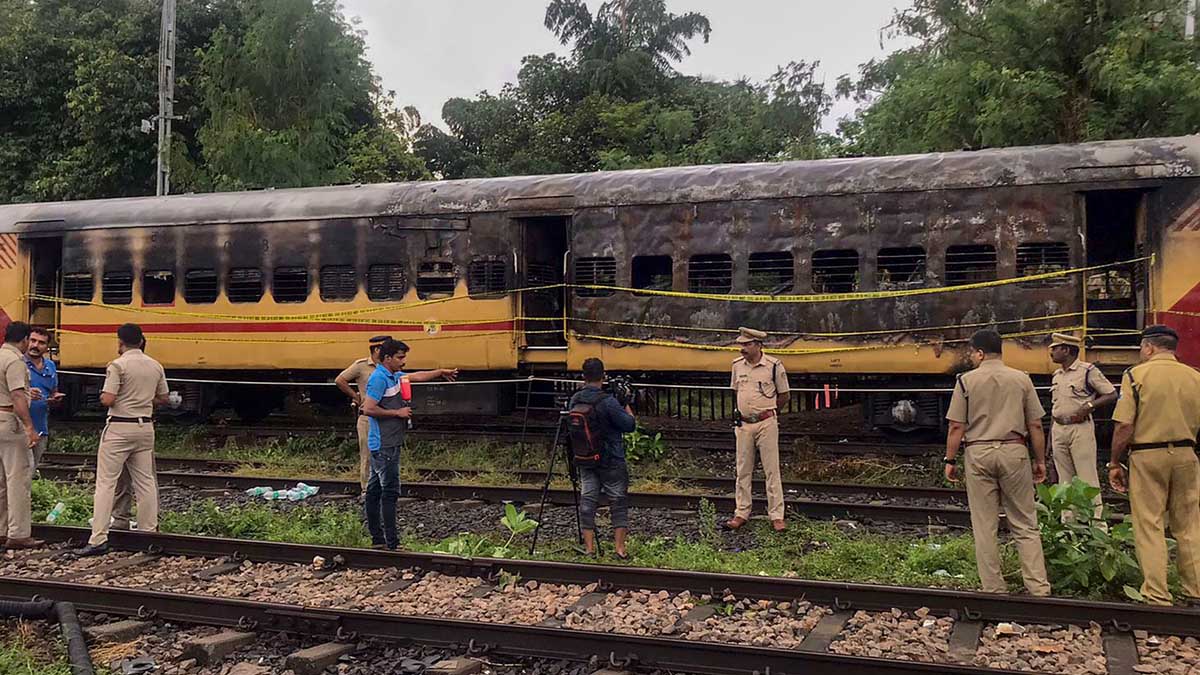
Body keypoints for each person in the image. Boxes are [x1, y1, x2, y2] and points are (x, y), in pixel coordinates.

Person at [945, 329, 1050, 596]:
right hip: (1014, 451)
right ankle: (1038, 587)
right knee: (1025, 523)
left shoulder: (966, 381)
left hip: (978, 452)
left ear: (979, 353)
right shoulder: (1021, 379)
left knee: (985, 525)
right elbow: (1035, 424)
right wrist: (1040, 460)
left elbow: (957, 426)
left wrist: (950, 460)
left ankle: (994, 588)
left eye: (972, 352)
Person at [1108, 325, 1200, 606]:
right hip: (1186, 454)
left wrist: (1114, 461)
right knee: (1189, 525)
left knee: (1150, 523)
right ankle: (1195, 590)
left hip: (1147, 455)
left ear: (1148, 347)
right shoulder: (1195, 376)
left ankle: (1157, 594)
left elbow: (1125, 424)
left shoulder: (1136, 375)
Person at [76, 323, 169, 557]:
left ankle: (98, 538)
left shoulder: (117, 365)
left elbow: (108, 399)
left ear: (120, 341)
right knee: (145, 482)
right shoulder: (155, 365)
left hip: (119, 427)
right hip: (145, 427)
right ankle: (149, 531)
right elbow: (164, 397)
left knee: (106, 483)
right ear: (141, 341)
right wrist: (144, 400)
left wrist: (104, 396)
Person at [360, 339, 457, 550]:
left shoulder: (393, 376)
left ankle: (377, 539)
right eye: (400, 357)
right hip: (384, 443)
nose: (404, 362)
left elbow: (417, 376)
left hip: (389, 442)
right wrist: (397, 412)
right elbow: (368, 408)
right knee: (390, 491)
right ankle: (392, 542)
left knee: (375, 490)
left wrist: (440, 371)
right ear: (387, 358)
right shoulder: (379, 379)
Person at [568, 357, 636, 558]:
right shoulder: (608, 402)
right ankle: (619, 550)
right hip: (611, 459)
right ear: (603, 376)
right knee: (618, 502)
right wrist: (625, 403)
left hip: (586, 458)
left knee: (588, 501)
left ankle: (589, 549)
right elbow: (629, 425)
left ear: (583, 376)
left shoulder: (575, 400)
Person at [725, 327, 790, 532]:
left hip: (766, 422)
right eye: (741, 344)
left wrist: (769, 412)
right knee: (742, 469)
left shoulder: (773, 366)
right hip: (744, 424)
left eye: (747, 344)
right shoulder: (737, 366)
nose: (742, 348)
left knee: (772, 470)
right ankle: (741, 512)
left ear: (759, 345)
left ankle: (777, 515)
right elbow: (735, 391)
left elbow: (784, 395)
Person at [1047, 332, 1117, 517]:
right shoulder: (1057, 375)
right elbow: (1056, 407)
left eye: (1055, 348)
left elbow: (1111, 393)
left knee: (1087, 479)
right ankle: (1069, 527)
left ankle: (1097, 525)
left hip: (1080, 428)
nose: (1051, 352)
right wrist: (1049, 442)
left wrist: (1089, 406)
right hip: (1059, 428)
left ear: (1066, 350)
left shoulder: (1087, 371)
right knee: (1064, 482)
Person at [0, 322, 42, 549]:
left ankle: (1, 529)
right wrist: (28, 426)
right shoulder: (15, 361)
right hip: (9, 421)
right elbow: (16, 395)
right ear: (25, 339)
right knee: (17, 479)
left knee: (0, 481)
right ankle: (18, 534)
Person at [335, 335, 392, 491]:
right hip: (368, 417)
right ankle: (367, 489)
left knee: (387, 455)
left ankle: (385, 487)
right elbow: (340, 380)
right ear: (377, 350)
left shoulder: (390, 366)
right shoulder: (361, 366)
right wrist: (356, 396)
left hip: (386, 417)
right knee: (367, 455)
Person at [24, 326, 64, 468]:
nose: (35, 345)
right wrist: (26, 393)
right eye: (33, 340)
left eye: (41, 343)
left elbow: (53, 391)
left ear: (47, 347)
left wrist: (55, 399)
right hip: (19, 428)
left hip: (41, 428)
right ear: (26, 341)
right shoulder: (17, 363)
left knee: (29, 473)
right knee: (14, 476)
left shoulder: (50, 366)